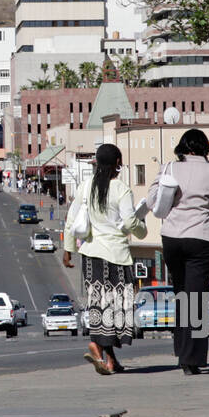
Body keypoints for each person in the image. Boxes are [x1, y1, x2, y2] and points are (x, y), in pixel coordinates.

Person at [146, 128, 209, 375]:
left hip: (171, 238)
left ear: (183, 147)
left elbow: (151, 199)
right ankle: (191, 358)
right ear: (205, 148)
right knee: (196, 299)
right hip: (199, 239)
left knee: (181, 295)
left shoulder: (168, 168)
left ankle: (181, 350)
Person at [62, 143, 146, 376]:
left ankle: (110, 360)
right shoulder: (121, 189)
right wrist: (142, 230)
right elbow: (130, 223)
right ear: (118, 163)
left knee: (99, 306)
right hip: (116, 256)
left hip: (90, 254)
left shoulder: (85, 186)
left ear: (97, 163)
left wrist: (68, 249)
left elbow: (71, 219)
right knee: (117, 309)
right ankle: (96, 346)